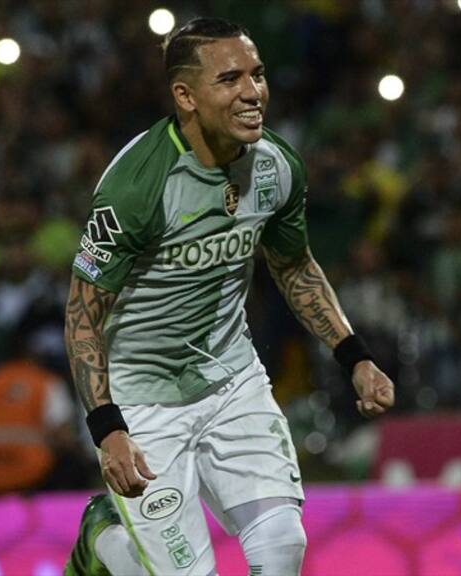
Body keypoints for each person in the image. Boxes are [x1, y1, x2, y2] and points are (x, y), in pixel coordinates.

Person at [64, 17, 395, 576]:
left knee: (281, 546)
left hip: (231, 380)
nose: (253, 92)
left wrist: (354, 355)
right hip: (142, 401)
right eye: (231, 79)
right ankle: (105, 537)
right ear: (185, 96)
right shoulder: (137, 187)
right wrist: (108, 428)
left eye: (258, 74)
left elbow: (293, 266)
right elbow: (82, 315)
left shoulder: (276, 165)